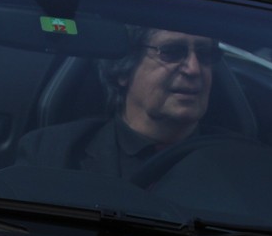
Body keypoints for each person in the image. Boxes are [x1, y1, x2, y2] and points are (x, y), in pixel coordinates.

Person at [16, 27, 225, 179]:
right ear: (123, 69)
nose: (194, 69)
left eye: (205, 54)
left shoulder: (240, 162)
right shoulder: (51, 154)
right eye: (171, 52)